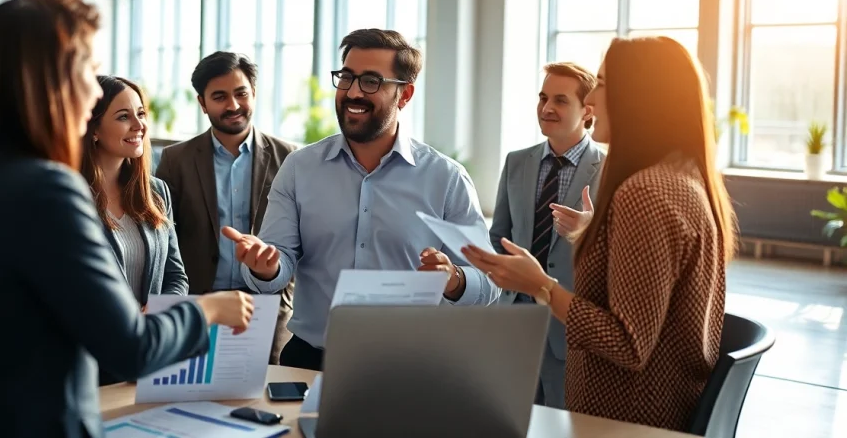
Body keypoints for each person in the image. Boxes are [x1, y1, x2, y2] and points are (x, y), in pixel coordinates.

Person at [0, 0, 253, 438]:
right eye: (86, 69)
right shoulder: (45, 190)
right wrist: (210, 309)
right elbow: (131, 348)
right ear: (51, 81)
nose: (90, 90)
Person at [463, 36, 734, 432]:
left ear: (638, 96)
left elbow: (626, 343)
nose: (594, 99)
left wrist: (540, 285)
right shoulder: (682, 179)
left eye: (603, 83)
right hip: (655, 406)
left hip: (624, 415)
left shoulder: (644, 192)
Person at [223, 29, 500, 372]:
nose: (353, 92)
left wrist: (455, 278)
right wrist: (266, 267)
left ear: (405, 93)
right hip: (311, 361)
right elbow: (277, 267)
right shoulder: (299, 168)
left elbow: (489, 283)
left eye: (371, 81)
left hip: (411, 367)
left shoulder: (446, 179)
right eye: (347, 78)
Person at [156, 52, 296, 364]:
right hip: (200, 306)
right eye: (219, 97)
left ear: (254, 94)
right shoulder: (175, 160)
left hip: (267, 308)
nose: (232, 105)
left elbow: (302, 237)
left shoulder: (291, 158)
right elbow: (163, 241)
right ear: (202, 103)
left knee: (263, 402)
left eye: (241, 93)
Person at [488, 61, 604, 409]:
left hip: (568, 328)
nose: (547, 108)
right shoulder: (516, 162)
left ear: (587, 111)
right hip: (513, 320)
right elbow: (499, 236)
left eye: (561, 100)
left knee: (560, 422)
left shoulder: (610, 171)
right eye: (543, 98)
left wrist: (588, 231)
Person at [82, 75, 189, 305]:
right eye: (124, 117)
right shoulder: (72, 196)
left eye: (141, 114)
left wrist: (153, 314)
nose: (140, 125)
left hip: (150, 335)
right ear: (94, 129)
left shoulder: (156, 192)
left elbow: (176, 277)